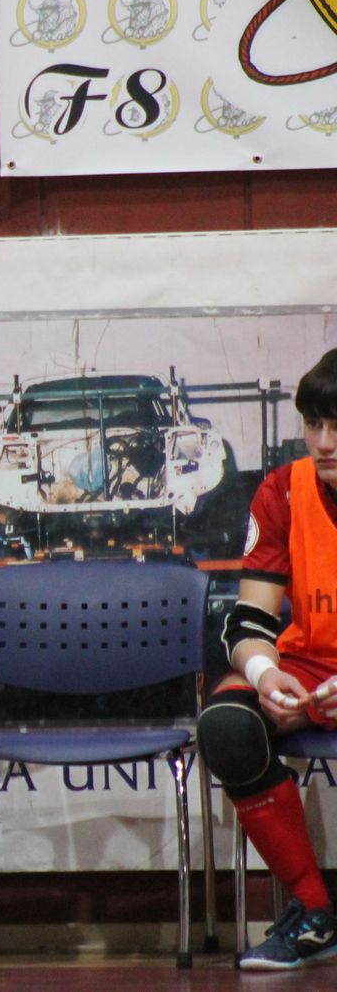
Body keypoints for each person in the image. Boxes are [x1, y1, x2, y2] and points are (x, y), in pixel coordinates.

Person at [197, 348, 337, 972]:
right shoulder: (283, 489)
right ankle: (313, 912)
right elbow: (251, 618)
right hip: (309, 666)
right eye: (314, 424)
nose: (325, 442)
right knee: (227, 725)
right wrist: (265, 672)